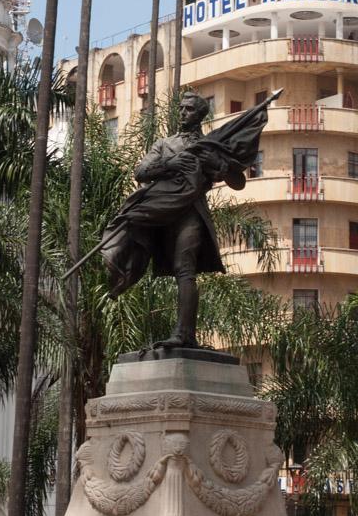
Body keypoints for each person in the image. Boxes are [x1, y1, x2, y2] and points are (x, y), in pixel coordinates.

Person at [101, 89, 279, 348]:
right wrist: (171, 165)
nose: (183, 112)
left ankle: (184, 334)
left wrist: (218, 165)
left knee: (185, 270)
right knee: (169, 267)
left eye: (189, 109)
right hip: (162, 214)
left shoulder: (210, 145)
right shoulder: (165, 144)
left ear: (199, 115)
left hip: (192, 213)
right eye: (182, 108)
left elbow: (238, 181)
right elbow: (141, 172)